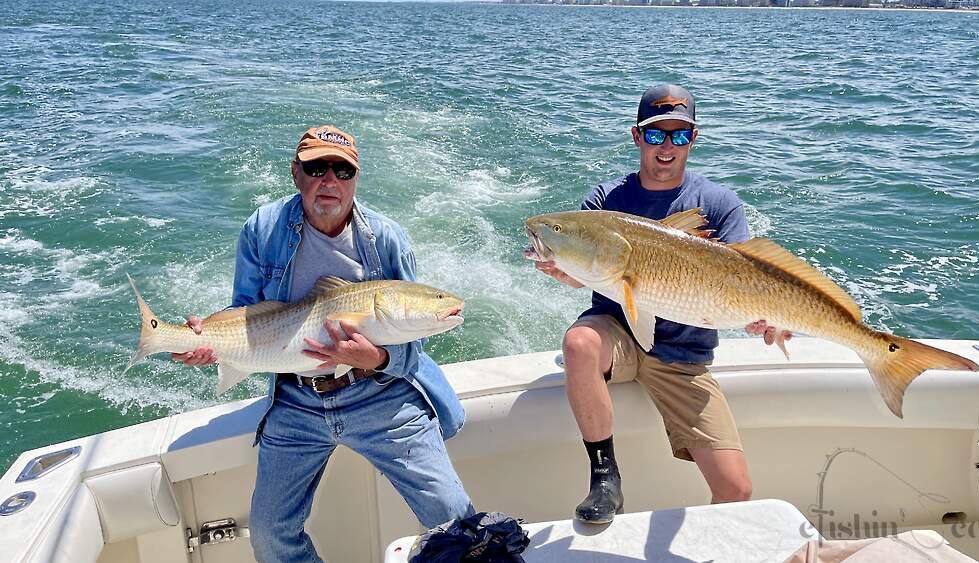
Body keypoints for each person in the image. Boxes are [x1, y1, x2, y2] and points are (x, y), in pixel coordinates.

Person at [173, 126, 474, 562]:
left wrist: (374, 358)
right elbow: (247, 311)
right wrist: (212, 340)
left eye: (342, 171)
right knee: (270, 535)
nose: (329, 181)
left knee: (456, 518)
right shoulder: (263, 228)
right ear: (296, 174)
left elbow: (413, 348)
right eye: (316, 168)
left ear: (356, 178)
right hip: (296, 401)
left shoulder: (386, 239)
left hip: (381, 396)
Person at [531, 84, 790, 524]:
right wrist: (566, 270)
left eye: (679, 135)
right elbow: (586, 274)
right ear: (636, 137)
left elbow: (748, 277)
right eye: (655, 135)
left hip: (684, 355)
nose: (666, 146)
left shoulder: (718, 204)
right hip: (619, 335)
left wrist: (768, 318)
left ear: (693, 139)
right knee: (579, 343)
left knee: (736, 487)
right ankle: (604, 477)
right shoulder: (605, 202)